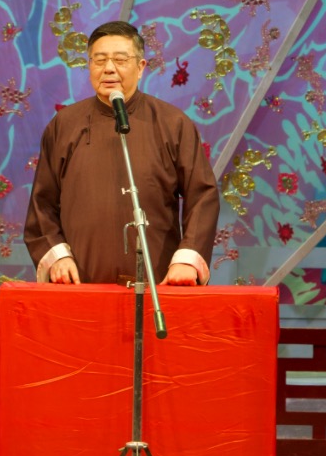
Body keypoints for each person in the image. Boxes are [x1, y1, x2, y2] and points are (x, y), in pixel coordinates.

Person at [24, 20, 218, 287]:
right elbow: (42, 203)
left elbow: (202, 195)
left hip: (158, 285)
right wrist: (57, 256)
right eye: (99, 60)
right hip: (80, 286)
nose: (109, 68)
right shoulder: (64, 125)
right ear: (89, 66)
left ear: (140, 67)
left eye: (120, 59)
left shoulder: (172, 123)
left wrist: (187, 259)